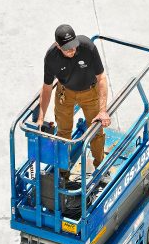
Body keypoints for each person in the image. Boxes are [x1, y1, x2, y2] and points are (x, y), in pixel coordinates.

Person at [37, 24, 111, 177]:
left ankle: (100, 167)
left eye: (74, 46)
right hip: (66, 93)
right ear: (58, 46)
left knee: (96, 131)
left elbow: (102, 78)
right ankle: (63, 173)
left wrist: (103, 111)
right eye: (67, 48)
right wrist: (40, 117)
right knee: (63, 133)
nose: (72, 51)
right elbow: (46, 88)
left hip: (90, 93)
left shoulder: (87, 47)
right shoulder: (51, 58)